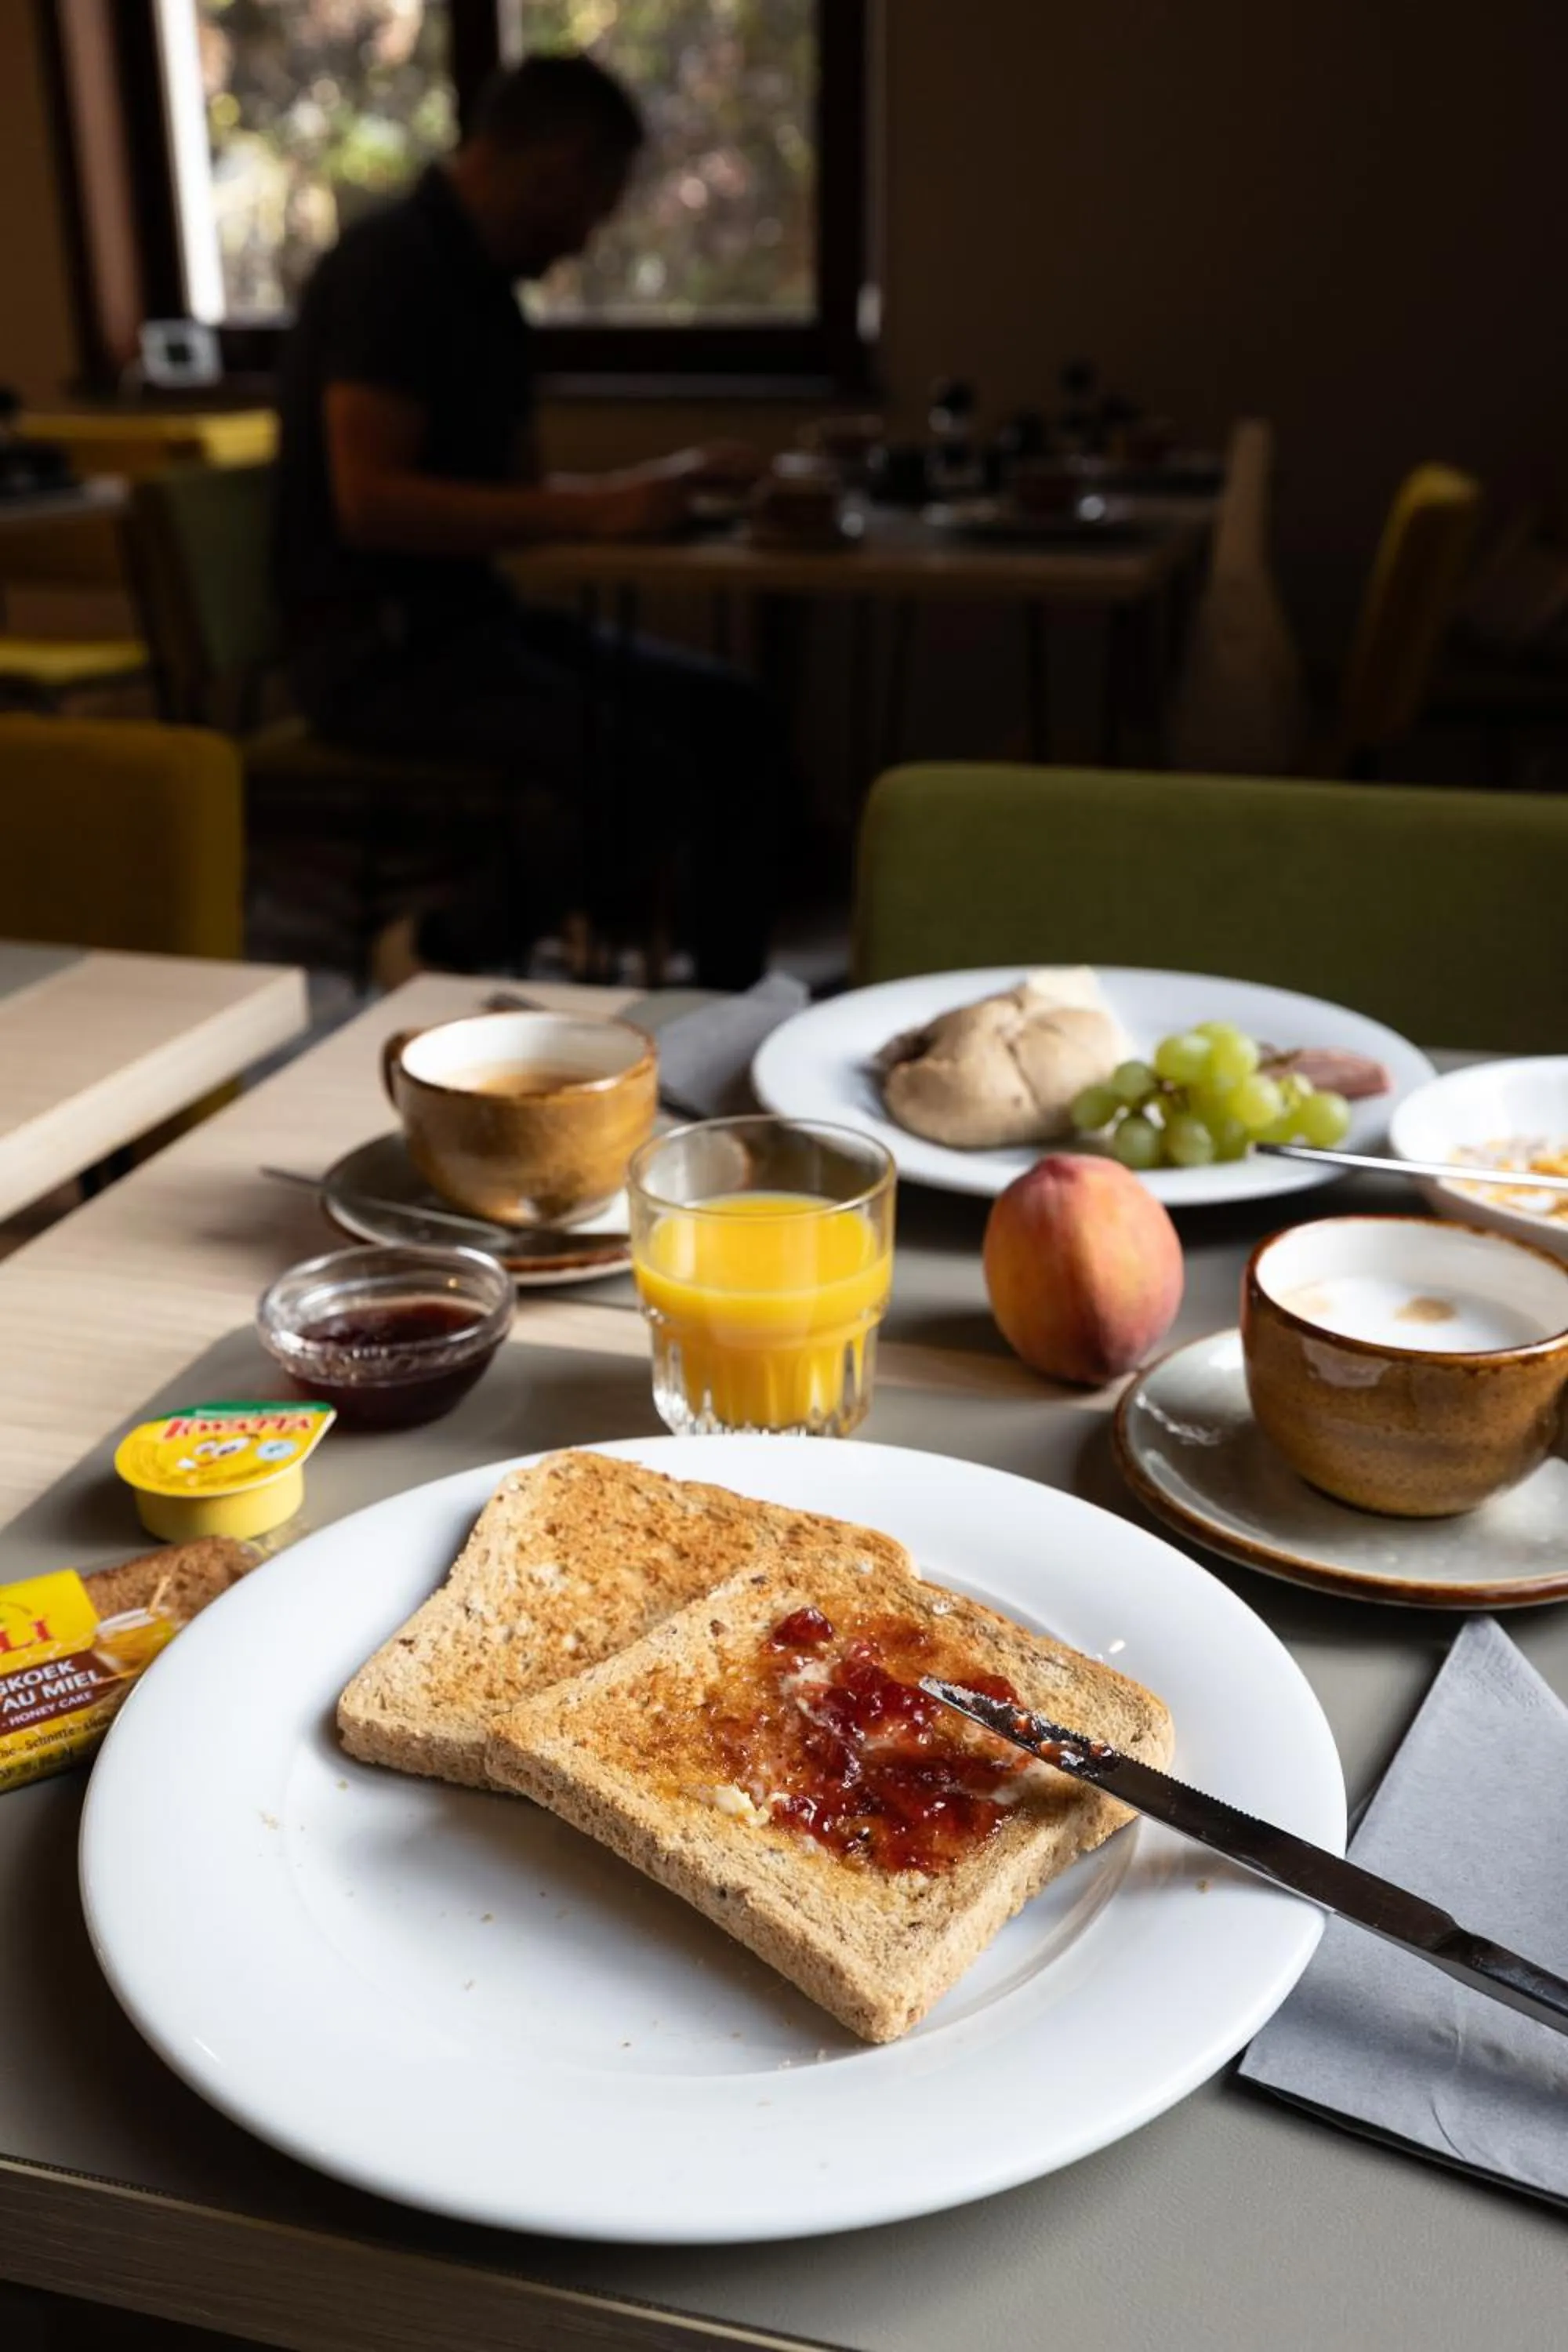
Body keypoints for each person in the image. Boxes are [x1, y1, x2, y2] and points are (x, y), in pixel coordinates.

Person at [273, 50, 784, 986]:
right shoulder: (392, 270)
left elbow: (523, 501)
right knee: (642, 775)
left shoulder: (487, 296)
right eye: (596, 203)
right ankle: (435, 951)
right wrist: (600, 508)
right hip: (371, 652)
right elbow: (370, 503)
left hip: (469, 624)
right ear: (556, 166)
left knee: (735, 717)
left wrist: (648, 490)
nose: (589, 237)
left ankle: (732, 1008)